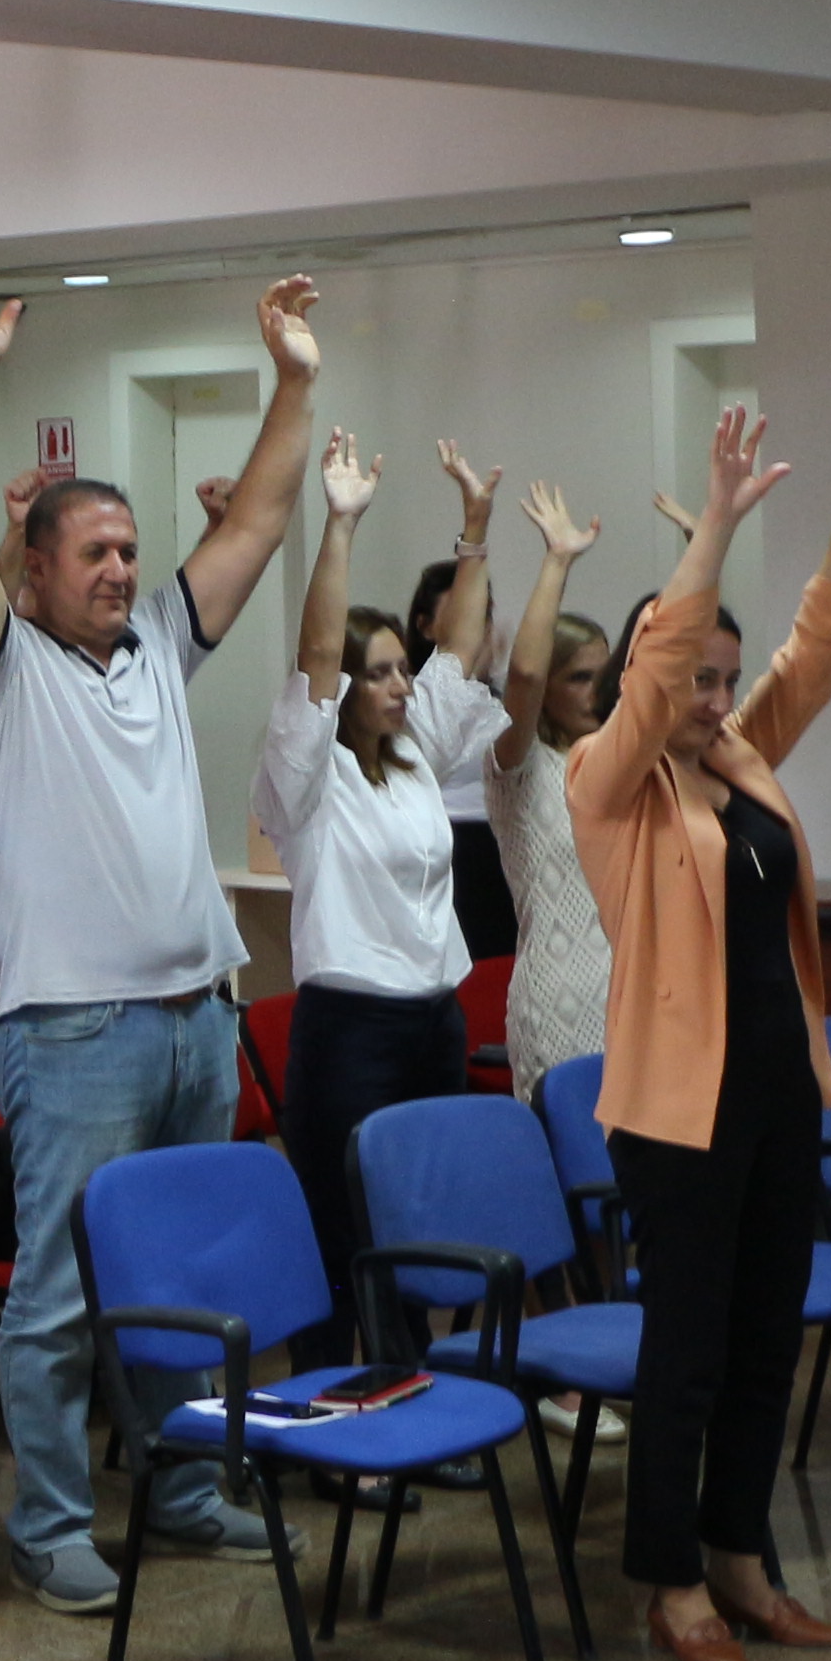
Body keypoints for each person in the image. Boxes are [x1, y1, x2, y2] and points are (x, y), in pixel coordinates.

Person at [0, 259, 317, 1616]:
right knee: (55, 1298)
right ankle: (48, 1529)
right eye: (93, 553)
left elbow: (260, 526)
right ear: (34, 572)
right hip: (73, 1033)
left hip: (197, 1017)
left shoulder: (159, 643)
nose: (121, 570)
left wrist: (294, 381)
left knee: (182, 1278)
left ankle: (189, 1492)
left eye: (131, 551)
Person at [565, 397, 831, 1661]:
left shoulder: (746, 761)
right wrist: (713, 522)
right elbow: (652, 671)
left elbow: (820, 646)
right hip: (673, 1113)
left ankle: (745, 1561)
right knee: (687, 1352)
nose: (709, 697)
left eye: (718, 679)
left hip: (773, 1093)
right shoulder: (610, 782)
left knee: (766, 1340)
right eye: (692, 678)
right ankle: (672, 1582)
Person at [257, 431, 508, 1333]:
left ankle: (412, 1392)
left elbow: (463, 647)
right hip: (351, 1033)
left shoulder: (412, 762)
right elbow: (317, 654)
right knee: (350, 1228)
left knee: (418, 1219)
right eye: (379, 672)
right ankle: (348, 1413)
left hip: (433, 1020)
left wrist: (473, 532)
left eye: (403, 667)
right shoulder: (307, 776)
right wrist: (340, 526)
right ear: (343, 690)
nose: (400, 685)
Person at [481, 478, 613, 1095]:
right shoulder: (520, 764)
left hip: (636, 1004)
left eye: (607, 677)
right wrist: (557, 561)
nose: (601, 691)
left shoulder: (622, 763)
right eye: (583, 678)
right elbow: (524, 672)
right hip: (560, 1005)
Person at [405, 444, 517, 960]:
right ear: (426, 624)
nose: (480, 626)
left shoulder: (500, 702)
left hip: (501, 852)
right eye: (468, 614)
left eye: (485, 613)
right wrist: (475, 527)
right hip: (445, 855)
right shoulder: (415, 703)